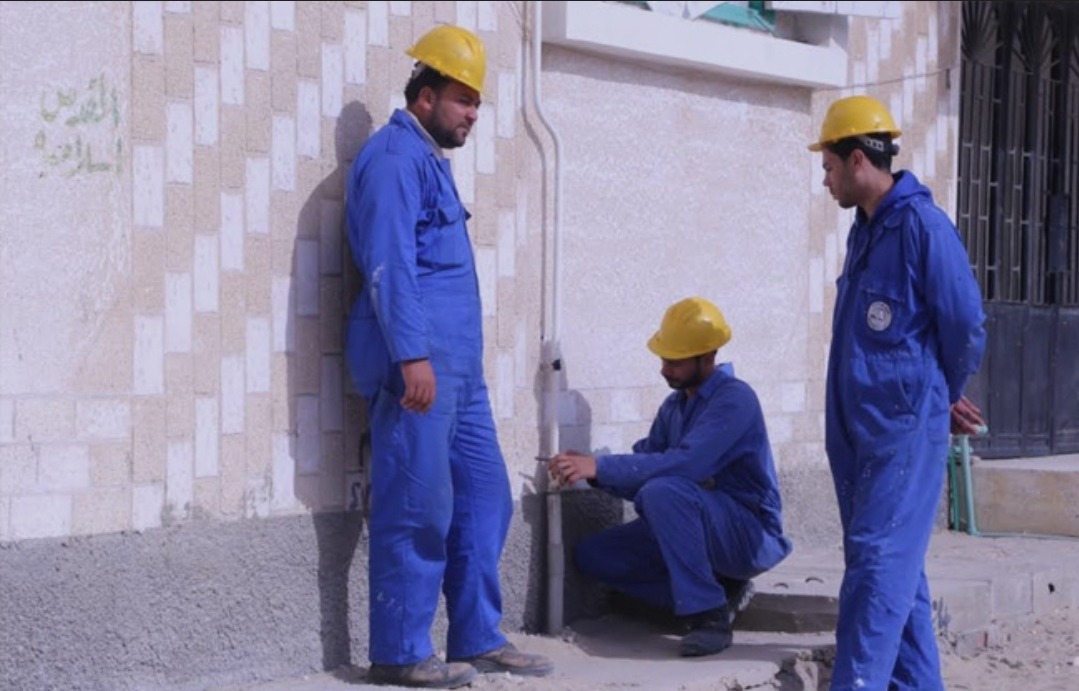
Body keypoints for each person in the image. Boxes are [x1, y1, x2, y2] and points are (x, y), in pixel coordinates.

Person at [344, 24, 553, 689]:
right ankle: (401, 650)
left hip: (459, 376)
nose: (472, 115)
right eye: (463, 100)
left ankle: (476, 634)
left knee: (487, 496)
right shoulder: (392, 159)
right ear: (425, 95)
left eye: (477, 103)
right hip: (417, 371)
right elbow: (390, 264)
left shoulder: (430, 160)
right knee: (417, 505)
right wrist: (411, 355)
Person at [809, 94, 987, 690]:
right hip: (857, 432)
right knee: (896, 574)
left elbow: (965, 324)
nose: (825, 179)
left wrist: (940, 394)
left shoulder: (922, 227)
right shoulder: (865, 231)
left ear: (858, 160)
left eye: (829, 166)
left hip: (900, 432)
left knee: (877, 569)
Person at [548, 297, 793, 658]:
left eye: (675, 362)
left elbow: (687, 465)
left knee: (664, 491)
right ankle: (723, 593)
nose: (665, 370)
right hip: (690, 526)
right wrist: (591, 469)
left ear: (708, 356)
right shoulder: (675, 406)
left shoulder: (735, 400)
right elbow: (648, 463)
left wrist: (600, 467)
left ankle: (709, 617)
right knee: (595, 556)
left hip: (747, 534)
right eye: (664, 360)